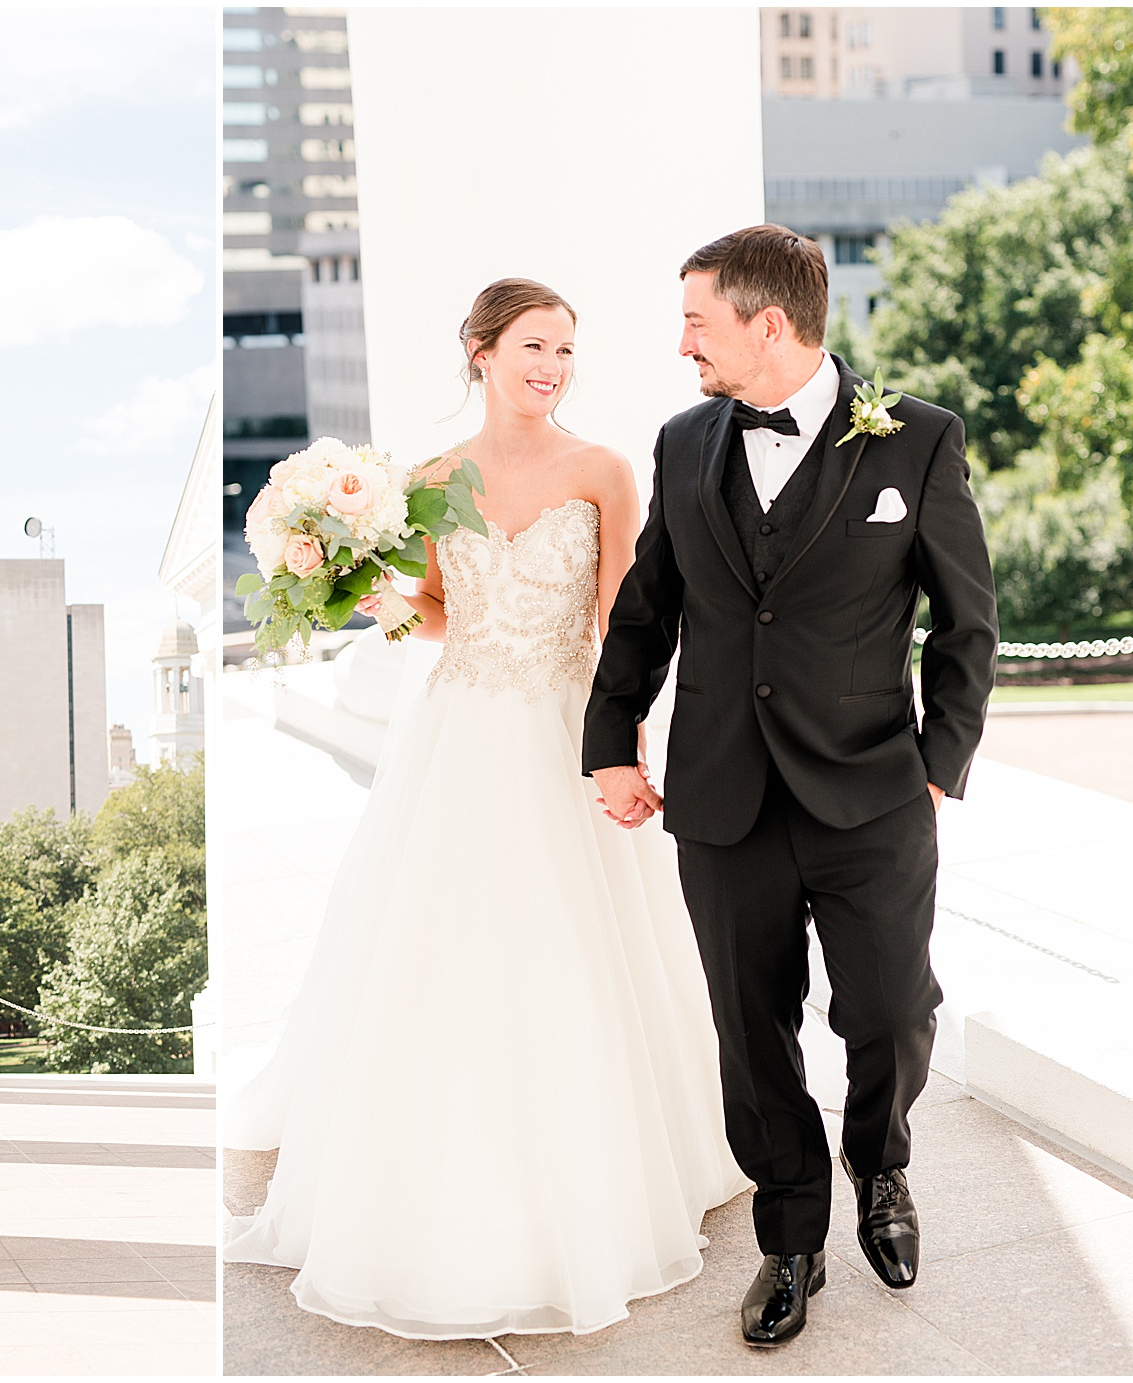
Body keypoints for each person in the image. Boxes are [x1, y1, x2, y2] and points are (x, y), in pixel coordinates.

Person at [224, 277, 748, 1341]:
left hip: (563, 729)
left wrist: (626, 743)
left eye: (564, 349)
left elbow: (619, 619)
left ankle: (606, 1159)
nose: (551, 366)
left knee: (574, 946)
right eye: (531, 346)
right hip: (458, 733)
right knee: (444, 944)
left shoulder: (602, 470)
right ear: (479, 351)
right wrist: (361, 591)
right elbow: (434, 613)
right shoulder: (425, 480)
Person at [585, 225, 997, 1346]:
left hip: (873, 795)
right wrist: (610, 739)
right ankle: (792, 1235)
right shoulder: (681, 444)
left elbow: (967, 624)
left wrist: (938, 774)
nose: (681, 345)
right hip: (720, 801)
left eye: (695, 322)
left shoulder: (916, 441)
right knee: (748, 1030)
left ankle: (881, 1165)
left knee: (889, 1011)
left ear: (769, 325)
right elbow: (646, 610)